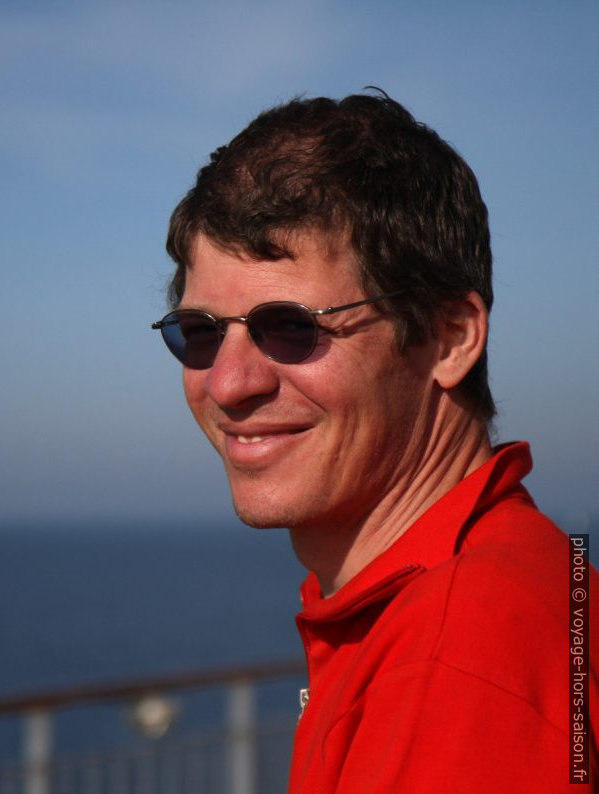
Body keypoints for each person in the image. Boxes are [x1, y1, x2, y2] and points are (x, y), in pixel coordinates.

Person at [151, 91, 598, 792]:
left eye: (291, 326)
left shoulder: (456, 663)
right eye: (200, 333)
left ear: (451, 337)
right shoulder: (485, 582)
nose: (230, 383)